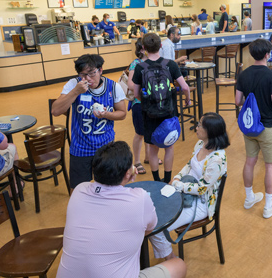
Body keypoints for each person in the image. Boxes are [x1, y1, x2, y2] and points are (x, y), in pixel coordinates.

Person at [49, 141, 186, 278]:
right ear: (128, 173)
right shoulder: (139, 199)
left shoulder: (78, 191)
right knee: (179, 267)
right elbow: (149, 229)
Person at [149, 113, 229, 260]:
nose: (196, 128)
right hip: (186, 191)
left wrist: (179, 185)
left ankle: (171, 260)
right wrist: (178, 177)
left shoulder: (217, 159)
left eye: (199, 125)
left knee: (157, 227)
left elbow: (201, 189)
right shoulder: (200, 144)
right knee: (153, 211)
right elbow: (189, 164)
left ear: (209, 131)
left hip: (201, 203)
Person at [52, 54, 128, 189]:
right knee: (78, 188)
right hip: (81, 147)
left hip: (106, 147)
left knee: (108, 186)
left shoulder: (113, 87)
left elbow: (122, 113)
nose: (87, 78)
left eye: (91, 73)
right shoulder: (74, 84)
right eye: (83, 74)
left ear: (100, 70)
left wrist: (106, 114)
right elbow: (56, 111)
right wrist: (75, 92)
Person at [131, 33, 190, 183]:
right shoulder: (171, 64)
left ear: (143, 48)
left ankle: (157, 180)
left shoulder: (140, 67)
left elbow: (136, 93)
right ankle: (168, 179)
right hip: (169, 112)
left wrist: (145, 102)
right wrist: (187, 100)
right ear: (161, 46)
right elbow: (185, 87)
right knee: (169, 147)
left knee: (152, 148)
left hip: (149, 113)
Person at [236, 39, 272, 219]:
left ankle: (249, 198)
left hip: (249, 126)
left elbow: (237, 101)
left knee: (250, 161)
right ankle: (268, 205)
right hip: (268, 125)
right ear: (267, 54)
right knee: (270, 165)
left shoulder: (244, 74)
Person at [127, 41, 153, 174]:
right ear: (142, 50)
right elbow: (131, 84)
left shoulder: (153, 62)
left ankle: (148, 157)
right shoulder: (136, 64)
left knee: (149, 129)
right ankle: (136, 161)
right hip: (139, 103)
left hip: (151, 103)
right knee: (140, 133)